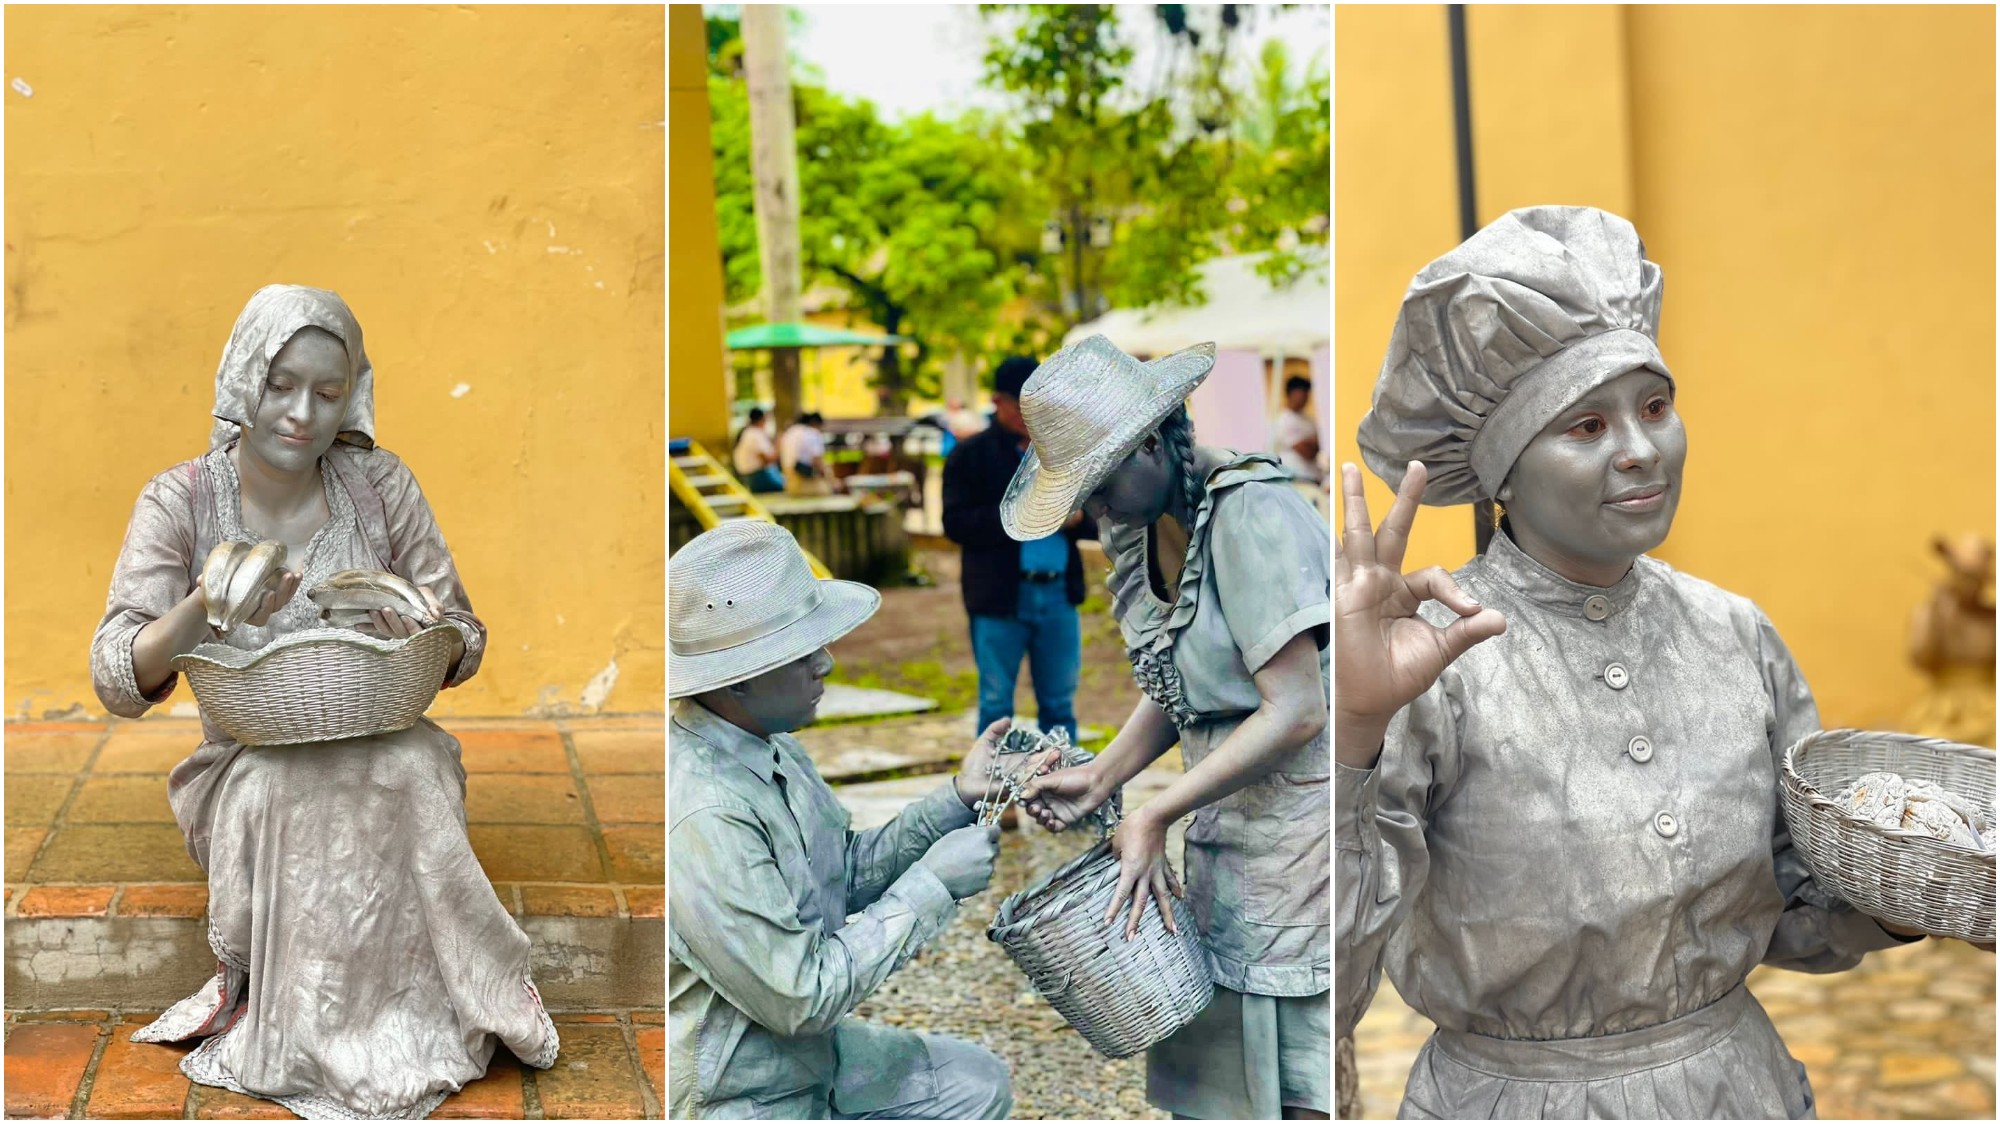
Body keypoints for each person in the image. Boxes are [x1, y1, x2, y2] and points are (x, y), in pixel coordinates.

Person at [1336, 206, 1979, 1119]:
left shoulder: (1733, 634)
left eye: (1655, 406)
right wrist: (1356, 730)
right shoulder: (1429, 657)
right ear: (1502, 474)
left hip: (1737, 1092)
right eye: (1587, 426)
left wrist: (1912, 893)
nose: (1641, 452)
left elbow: (1794, 893)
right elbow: (1329, 968)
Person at [92, 285, 558, 1118]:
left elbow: (465, 636)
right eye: (280, 384)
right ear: (244, 379)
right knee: (286, 789)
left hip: (378, 725)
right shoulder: (181, 500)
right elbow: (115, 675)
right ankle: (304, 1038)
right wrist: (208, 604)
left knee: (414, 768)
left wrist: (415, 621)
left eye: (327, 390)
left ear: (354, 394)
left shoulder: (380, 485)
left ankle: (418, 1017)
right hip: (247, 754)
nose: (302, 413)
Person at [1010, 336, 1332, 1120]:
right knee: (1223, 1073)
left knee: (1296, 1069)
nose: (1094, 509)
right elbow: (1186, 685)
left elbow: (1295, 709)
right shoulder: (1141, 518)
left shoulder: (1251, 510)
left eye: (1098, 483)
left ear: (1151, 440)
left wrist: (1157, 810)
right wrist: (1105, 775)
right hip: (1225, 824)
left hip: (1303, 829)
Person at [667, 520, 1014, 1119]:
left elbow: (838, 872)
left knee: (974, 1082)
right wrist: (931, 886)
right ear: (743, 678)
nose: (826, 664)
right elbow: (800, 997)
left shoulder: (768, 743)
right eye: (803, 653)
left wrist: (957, 798)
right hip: (738, 1090)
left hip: (810, 1060)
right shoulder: (706, 811)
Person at [942, 355, 1094, 744]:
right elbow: (955, 523)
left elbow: (1100, 513)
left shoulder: (1062, 452)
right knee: (995, 705)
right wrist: (1020, 517)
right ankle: (989, 793)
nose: (1032, 414)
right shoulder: (970, 455)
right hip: (1000, 597)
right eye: (1022, 404)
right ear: (999, 402)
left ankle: (1062, 791)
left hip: (1059, 594)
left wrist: (1077, 519)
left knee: (1059, 706)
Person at [1271, 374, 1323, 484]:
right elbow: (1307, 451)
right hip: (1295, 479)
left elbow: (1321, 445)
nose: (1306, 397)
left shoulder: (1309, 420)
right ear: (1292, 393)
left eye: (1307, 393)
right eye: (1302, 392)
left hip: (1314, 478)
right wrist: (1312, 442)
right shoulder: (1283, 420)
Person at [781, 410, 840, 495]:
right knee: (829, 488)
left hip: (789, 483)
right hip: (802, 481)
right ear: (816, 424)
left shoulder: (789, 432)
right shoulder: (812, 433)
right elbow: (817, 461)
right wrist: (831, 480)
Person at [733, 405, 783, 493]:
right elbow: (766, 460)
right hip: (757, 476)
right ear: (762, 419)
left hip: (752, 475)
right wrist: (779, 446)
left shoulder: (749, 432)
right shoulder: (754, 434)